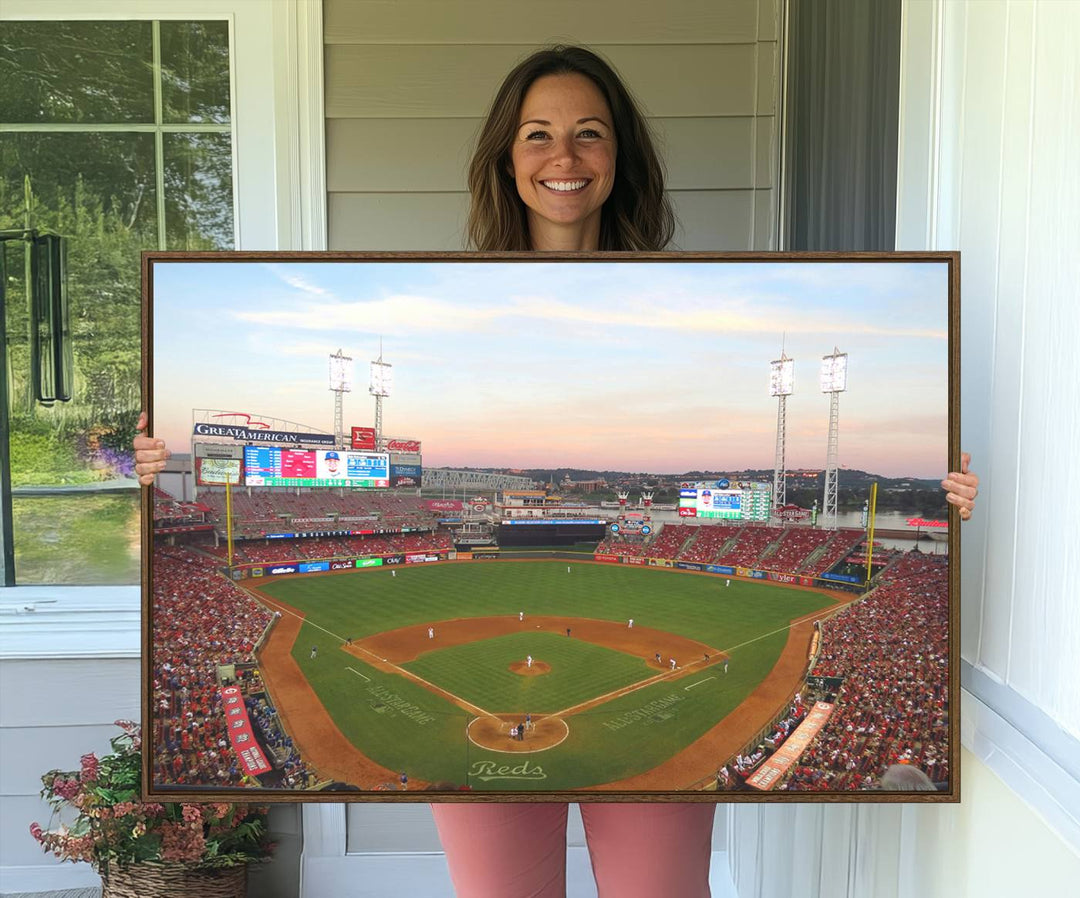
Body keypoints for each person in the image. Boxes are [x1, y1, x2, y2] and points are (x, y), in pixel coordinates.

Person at [133, 43, 979, 898]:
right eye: (537, 134)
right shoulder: (449, 290)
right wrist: (151, 469)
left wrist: (948, 501)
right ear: (507, 156)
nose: (563, 157)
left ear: (620, 157)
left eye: (589, 134)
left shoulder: (685, 293)